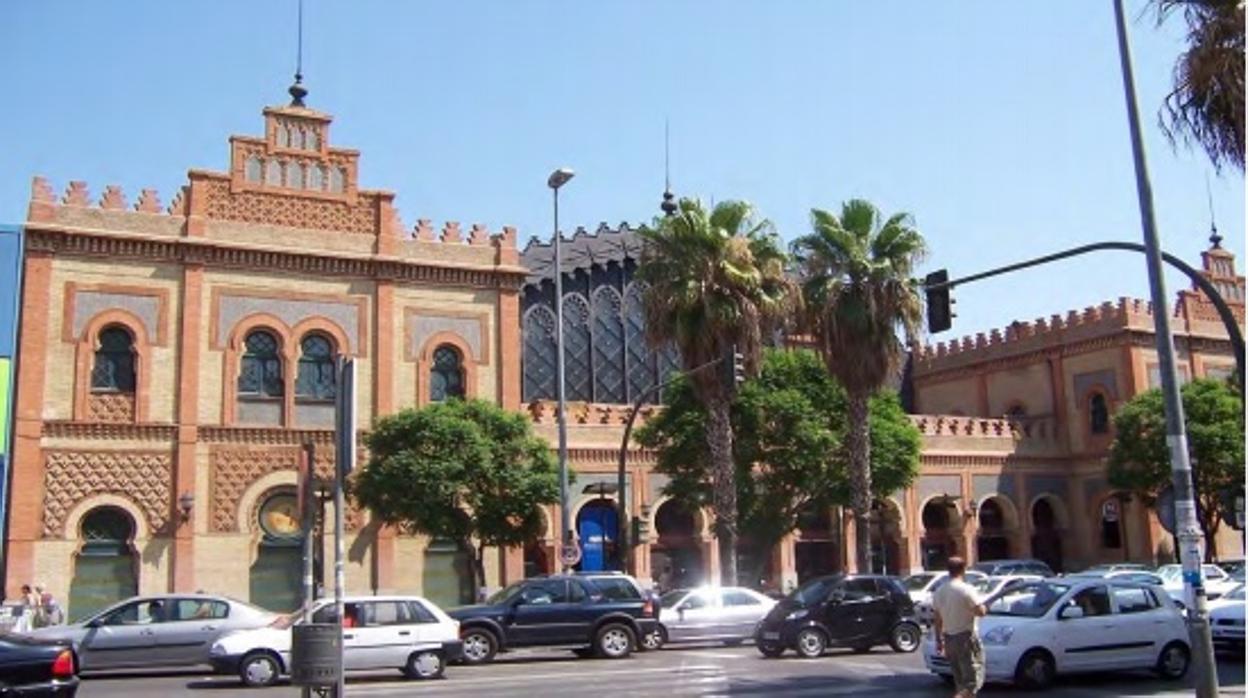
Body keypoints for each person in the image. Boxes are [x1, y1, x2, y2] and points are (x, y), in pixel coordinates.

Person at [932, 557, 987, 698]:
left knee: (960, 682)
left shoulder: (939, 591)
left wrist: (939, 640)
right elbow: (980, 611)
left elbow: (937, 619)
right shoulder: (967, 589)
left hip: (949, 638)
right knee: (972, 682)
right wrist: (984, 607)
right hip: (966, 638)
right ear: (963, 570)